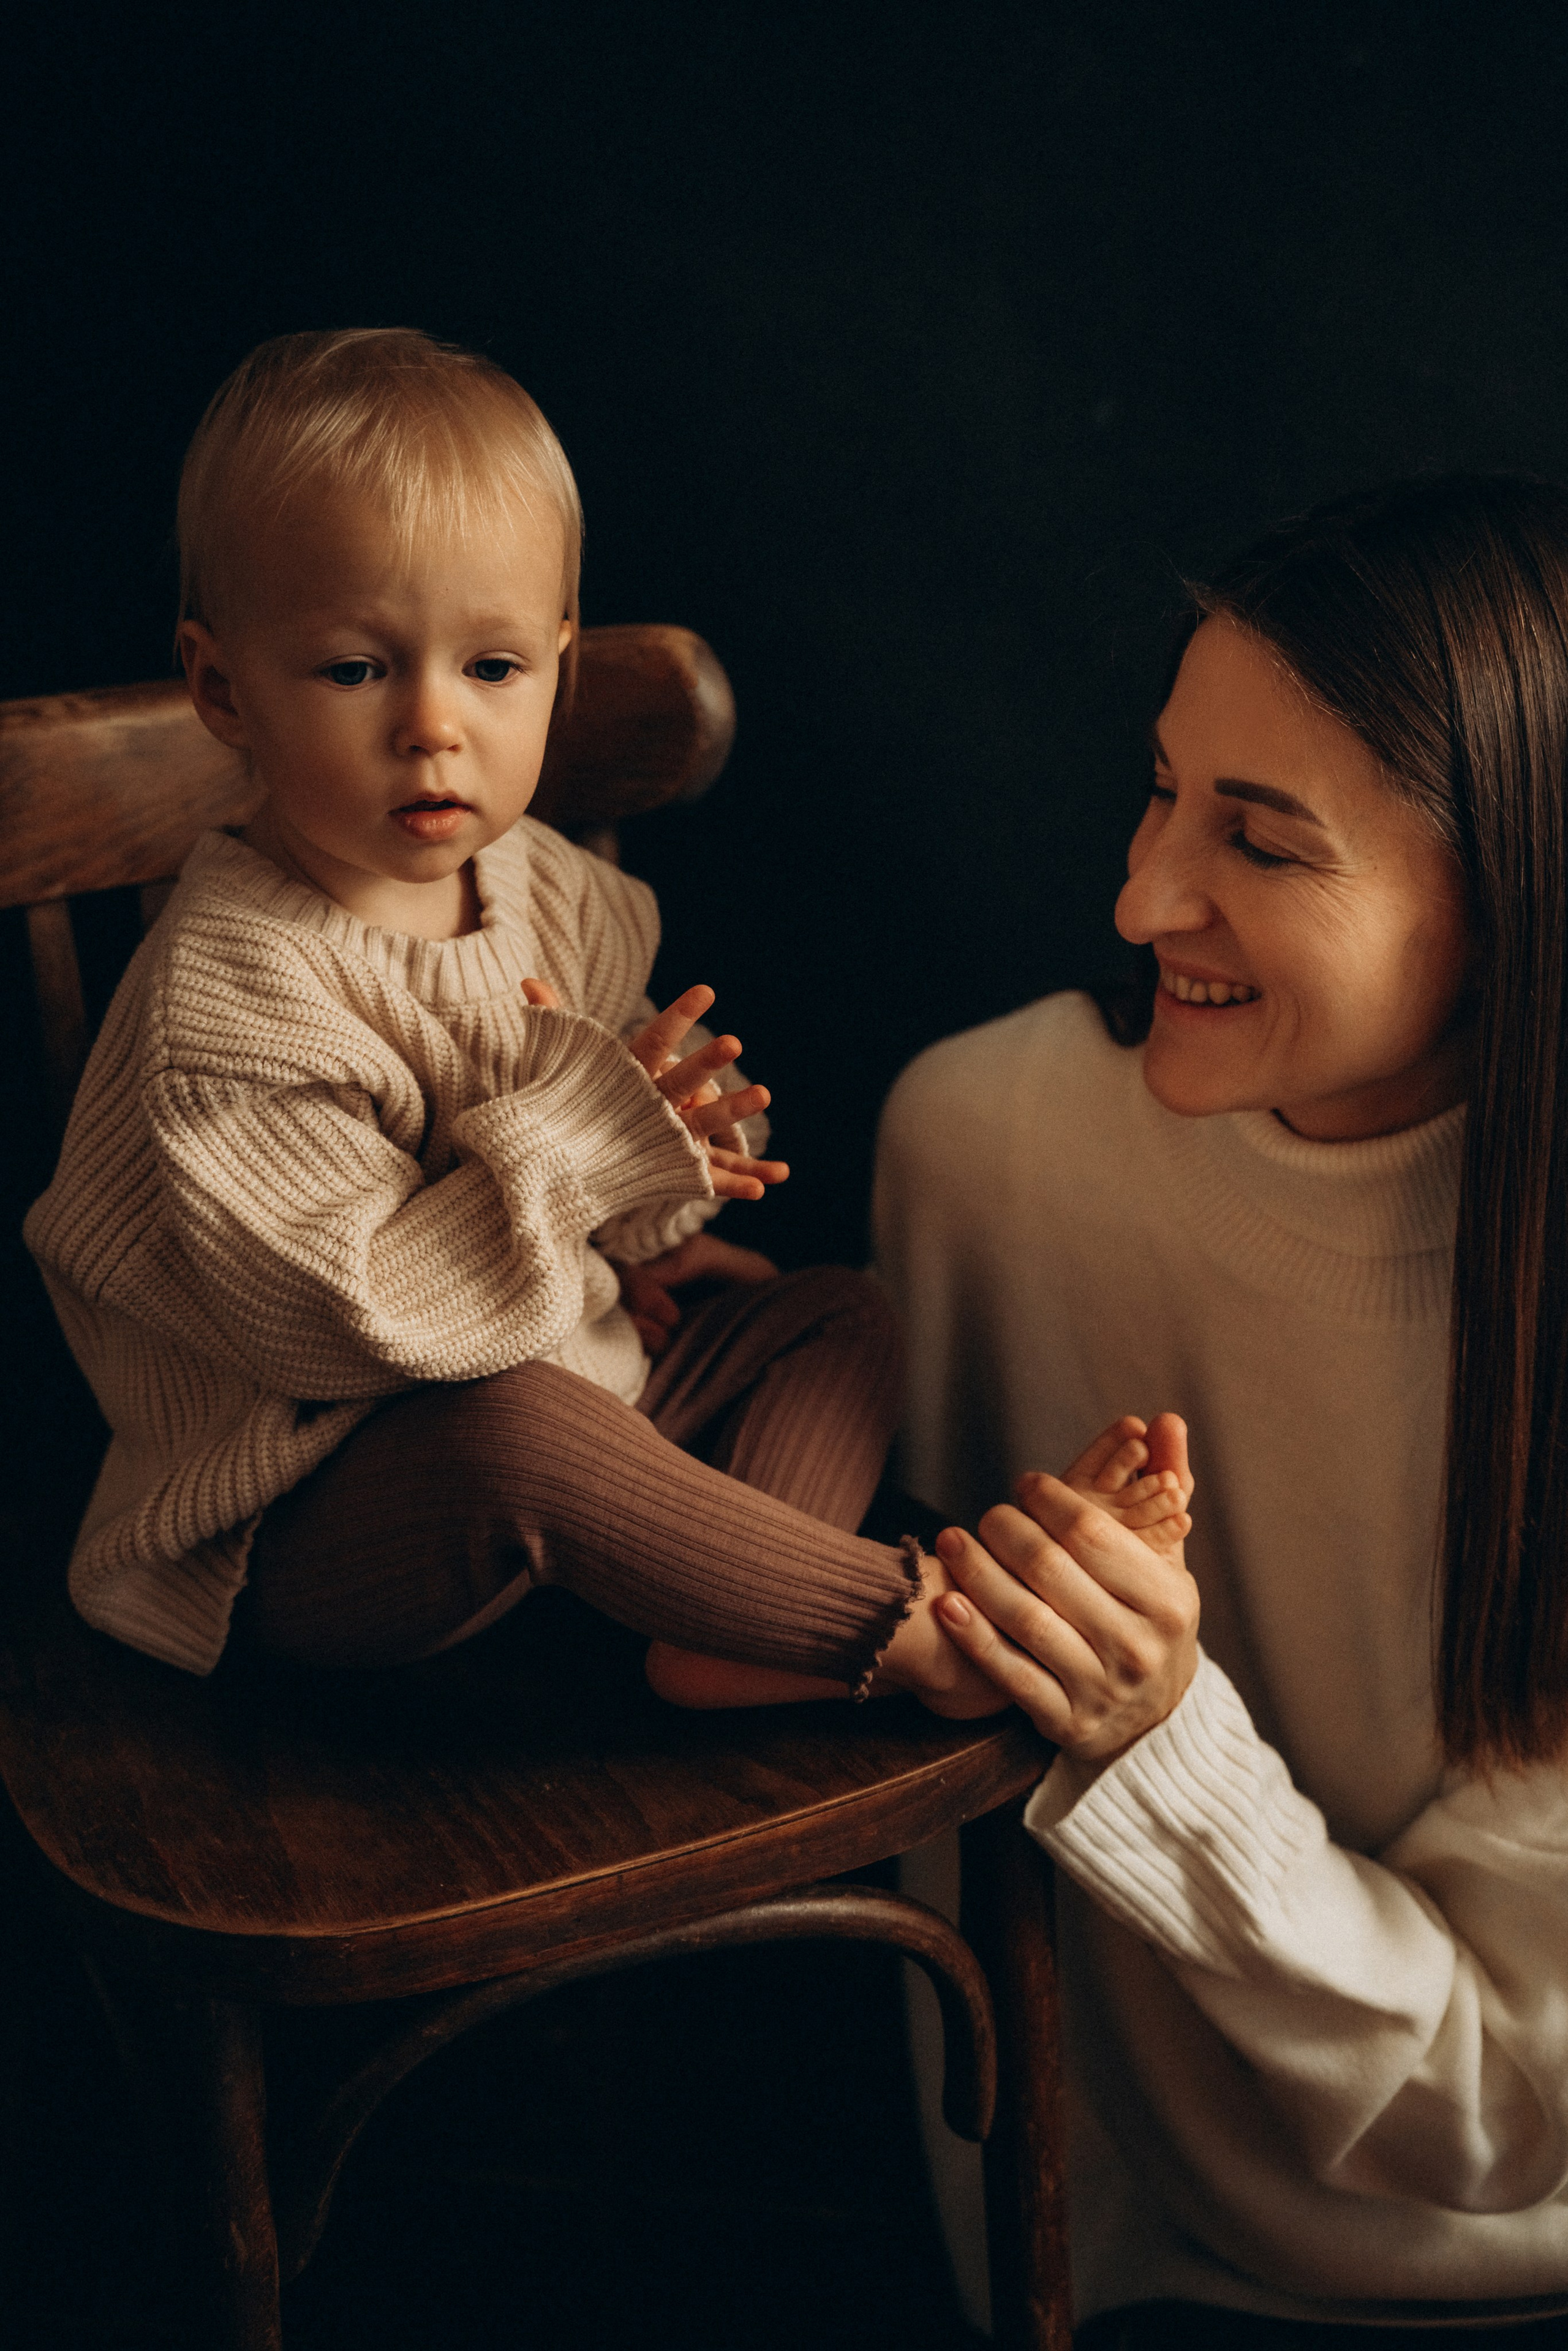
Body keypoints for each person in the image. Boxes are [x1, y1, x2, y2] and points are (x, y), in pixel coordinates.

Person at [23, 323, 1006, 1708]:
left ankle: (727, 1624)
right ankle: (888, 1621)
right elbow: (358, 1322)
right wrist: (594, 1152)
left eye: (491, 668)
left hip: (556, 1375)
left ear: (556, 662)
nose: (434, 724)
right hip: (313, 1511)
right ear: (221, 687)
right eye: (357, 669)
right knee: (519, 1427)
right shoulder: (227, 998)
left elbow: (629, 1123)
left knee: (833, 1313)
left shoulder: (555, 888)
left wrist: (660, 1208)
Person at [875, 477, 1568, 2343]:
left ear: (1508, 909)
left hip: (1467, 2276)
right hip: (1044, 2240)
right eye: (1163, 790)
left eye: (1260, 841)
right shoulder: (977, 1146)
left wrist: (1161, 1736)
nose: (1140, 894)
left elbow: (1500, 2107)